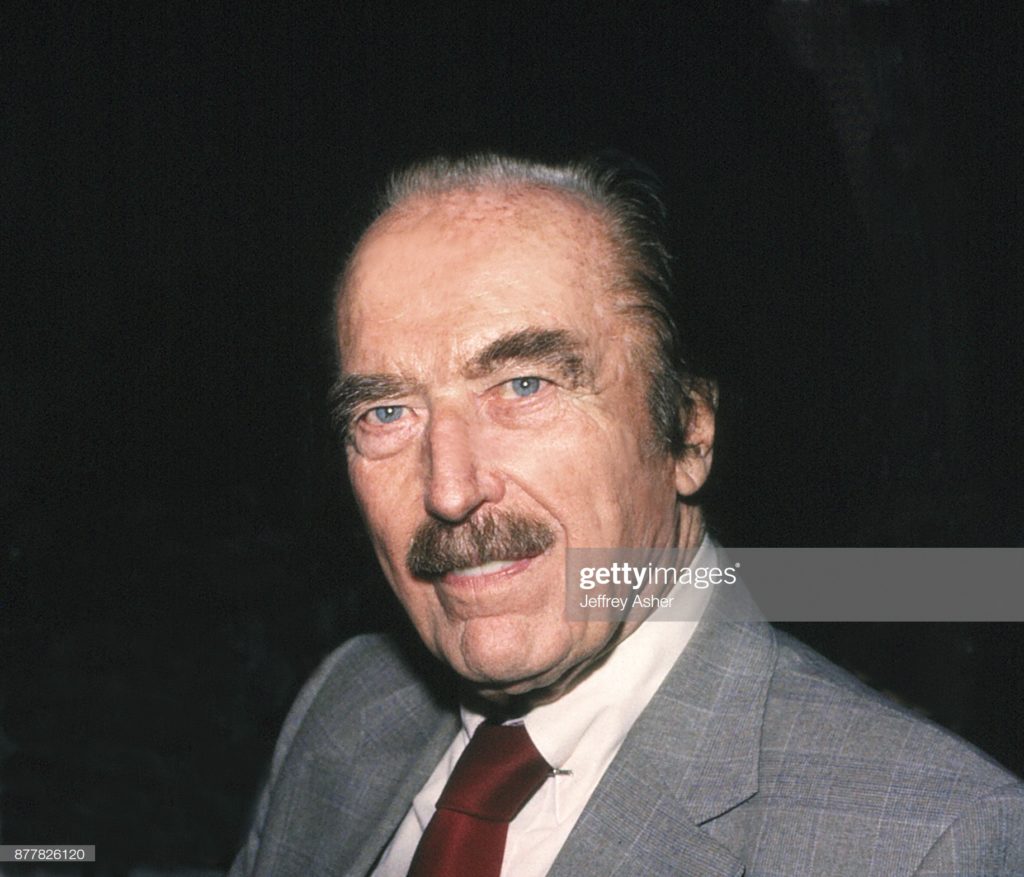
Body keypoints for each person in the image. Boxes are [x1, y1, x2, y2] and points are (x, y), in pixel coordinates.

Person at [229, 154, 1024, 876]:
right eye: (387, 412)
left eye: (525, 386)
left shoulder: (927, 842)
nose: (448, 488)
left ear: (688, 433)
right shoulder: (345, 707)